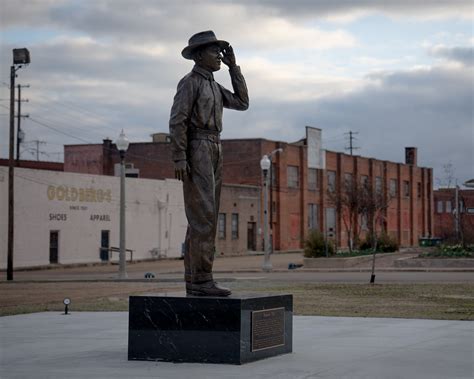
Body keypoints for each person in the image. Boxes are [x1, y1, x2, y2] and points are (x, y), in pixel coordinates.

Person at [169, 31, 249, 296]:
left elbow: (242, 103)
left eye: (220, 51)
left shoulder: (214, 85)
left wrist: (233, 68)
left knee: (207, 217)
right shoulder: (190, 82)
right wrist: (179, 156)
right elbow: (177, 121)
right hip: (198, 148)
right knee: (202, 217)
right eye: (214, 51)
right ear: (199, 55)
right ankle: (201, 281)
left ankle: (197, 279)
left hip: (215, 147)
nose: (218, 55)